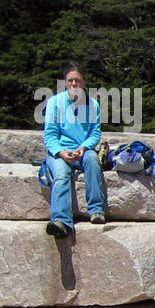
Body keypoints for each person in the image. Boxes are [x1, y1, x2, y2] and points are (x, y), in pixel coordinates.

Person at [42, 63, 106, 237]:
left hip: (83, 150)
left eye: (77, 81)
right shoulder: (55, 103)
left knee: (93, 161)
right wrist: (61, 152)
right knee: (62, 175)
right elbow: (50, 135)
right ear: (65, 82)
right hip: (59, 152)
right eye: (70, 81)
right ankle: (61, 221)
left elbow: (95, 132)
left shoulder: (92, 104)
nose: (74, 84)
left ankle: (97, 210)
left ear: (84, 83)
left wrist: (84, 147)